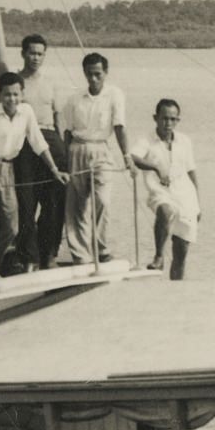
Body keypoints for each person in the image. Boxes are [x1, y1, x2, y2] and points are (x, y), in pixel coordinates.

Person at [52, 50, 133, 268]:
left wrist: (127, 157)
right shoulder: (75, 99)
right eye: (89, 74)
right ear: (84, 74)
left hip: (101, 150)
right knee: (76, 205)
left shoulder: (115, 94)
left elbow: (119, 127)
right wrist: (67, 159)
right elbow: (67, 131)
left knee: (103, 200)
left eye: (98, 74)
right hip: (77, 149)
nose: (94, 79)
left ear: (105, 73)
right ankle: (81, 255)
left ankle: (101, 249)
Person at [0, 69, 58, 279]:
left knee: (11, 226)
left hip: (9, 168)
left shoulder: (27, 111)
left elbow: (38, 142)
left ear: (22, 94)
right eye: (7, 94)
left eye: (15, 94)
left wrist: (54, 169)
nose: (12, 99)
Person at [0, 32, 72, 270]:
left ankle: (49, 254)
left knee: (54, 203)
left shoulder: (51, 83)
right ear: (23, 53)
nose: (35, 58)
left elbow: (58, 116)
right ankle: (28, 258)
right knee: (26, 204)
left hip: (50, 138)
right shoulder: (16, 84)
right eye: (31, 53)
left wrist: (62, 146)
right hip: (25, 143)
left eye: (40, 54)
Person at [132, 96, 201, 279]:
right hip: (160, 191)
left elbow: (191, 171)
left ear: (178, 120)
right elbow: (134, 157)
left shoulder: (184, 141)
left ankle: (176, 292)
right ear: (155, 118)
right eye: (164, 118)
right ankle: (159, 256)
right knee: (165, 211)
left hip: (185, 195)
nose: (168, 123)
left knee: (181, 251)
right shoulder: (146, 139)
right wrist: (155, 167)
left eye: (172, 119)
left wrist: (198, 204)